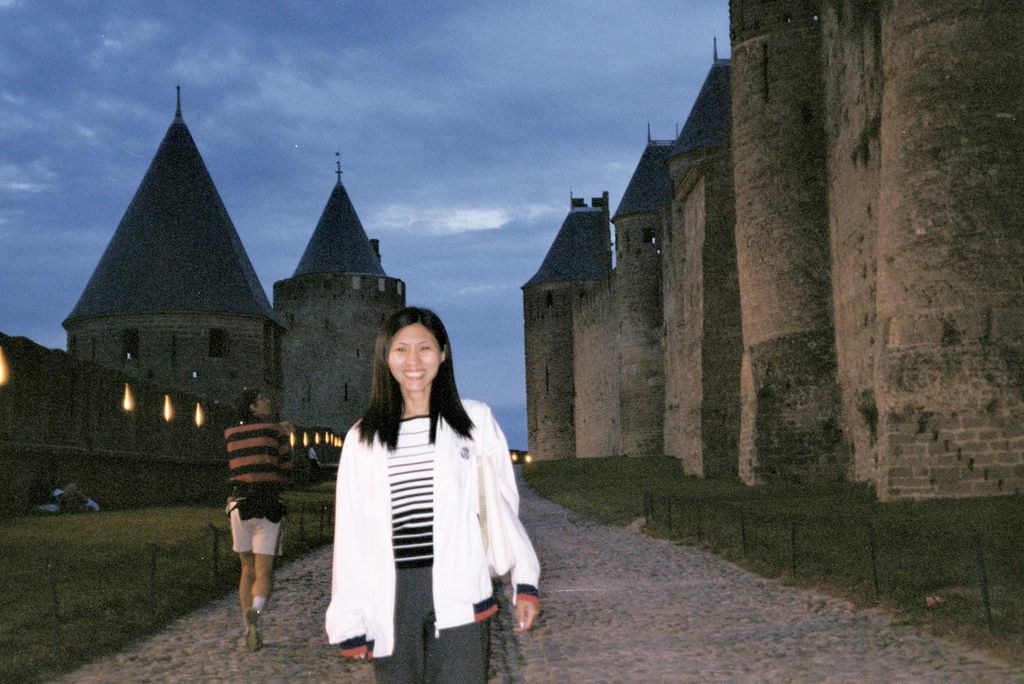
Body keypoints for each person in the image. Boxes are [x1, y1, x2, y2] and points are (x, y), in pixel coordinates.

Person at [326, 306, 541, 683]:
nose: (413, 361)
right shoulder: (363, 439)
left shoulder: (473, 422)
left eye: (424, 348)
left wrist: (524, 581)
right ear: (385, 358)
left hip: (460, 592)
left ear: (443, 354)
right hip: (392, 599)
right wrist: (349, 619)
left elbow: (501, 509)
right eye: (401, 349)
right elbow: (352, 533)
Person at [224, 388, 294, 651]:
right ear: (252, 407)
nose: (268, 400)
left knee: (247, 568)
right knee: (264, 571)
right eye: (262, 399)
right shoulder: (275, 431)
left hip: (238, 504)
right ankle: (257, 608)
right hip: (267, 505)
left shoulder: (231, 434)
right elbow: (286, 466)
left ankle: (249, 626)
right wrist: (284, 436)